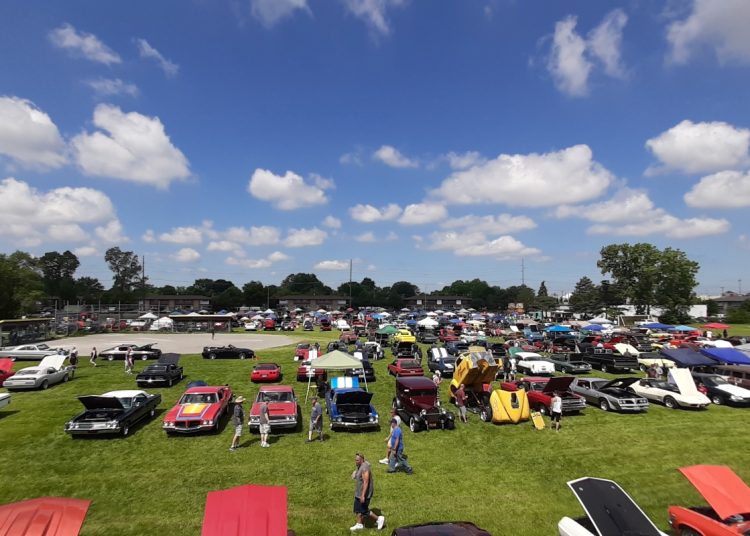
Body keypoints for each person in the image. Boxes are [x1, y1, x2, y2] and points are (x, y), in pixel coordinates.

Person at [350, 453, 385, 532]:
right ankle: (359, 524)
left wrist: (363, 495)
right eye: (355, 460)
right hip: (358, 492)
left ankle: (378, 519)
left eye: (357, 460)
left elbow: (366, 482)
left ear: (362, 460)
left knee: (364, 510)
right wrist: (355, 474)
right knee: (357, 509)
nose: (356, 461)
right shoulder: (360, 465)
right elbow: (359, 476)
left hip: (364, 493)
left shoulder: (365, 468)